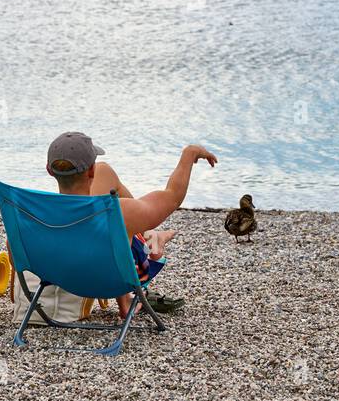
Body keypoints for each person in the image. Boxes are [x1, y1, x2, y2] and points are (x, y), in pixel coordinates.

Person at [45, 132, 216, 317]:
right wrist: (190, 153)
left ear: (49, 170)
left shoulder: (33, 213)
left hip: (61, 276)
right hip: (109, 281)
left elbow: (17, 259)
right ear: (90, 171)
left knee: (106, 176)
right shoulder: (120, 212)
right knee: (119, 229)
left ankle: (149, 234)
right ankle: (151, 242)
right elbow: (173, 195)